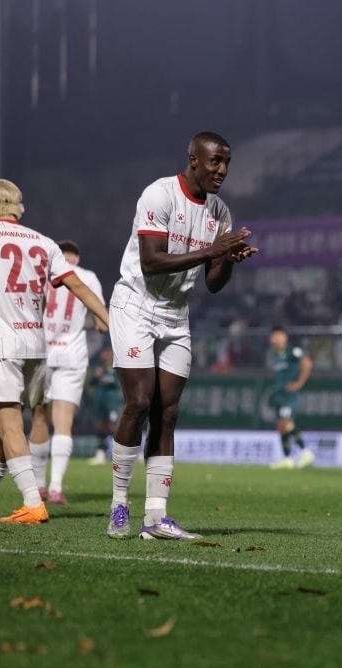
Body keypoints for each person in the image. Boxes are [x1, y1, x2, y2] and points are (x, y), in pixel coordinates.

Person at [106, 131, 258, 541]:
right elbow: (152, 261)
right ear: (194, 159)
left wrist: (227, 259)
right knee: (138, 403)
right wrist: (212, 250)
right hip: (135, 306)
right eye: (215, 162)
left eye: (227, 163)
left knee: (167, 413)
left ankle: (156, 518)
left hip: (176, 315)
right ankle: (119, 504)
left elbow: (214, 283)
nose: (222, 170)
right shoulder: (159, 195)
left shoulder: (220, 211)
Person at [0, 178, 109, 524]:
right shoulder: (43, 242)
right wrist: (109, 321)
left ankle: (33, 502)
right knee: (6, 426)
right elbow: (78, 286)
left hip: (2, 347)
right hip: (38, 349)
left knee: (9, 424)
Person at [27, 240, 107, 504]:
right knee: (64, 423)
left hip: (41, 353)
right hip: (72, 355)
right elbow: (101, 323)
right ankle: (56, 488)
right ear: (78, 257)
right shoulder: (88, 277)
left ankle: (37, 486)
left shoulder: (41, 275)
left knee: (39, 419)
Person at [267, 325, 316, 469]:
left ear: (285, 337)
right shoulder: (273, 354)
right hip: (280, 393)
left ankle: (306, 452)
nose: (276, 339)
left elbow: (307, 363)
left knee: (286, 423)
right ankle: (287, 459)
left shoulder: (293, 351)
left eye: (279, 335)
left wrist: (299, 382)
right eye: (274, 336)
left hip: (289, 394)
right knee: (281, 427)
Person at [87, 345, 121, 466]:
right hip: (99, 402)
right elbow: (91, 383)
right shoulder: (98, 368)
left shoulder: (116, 367)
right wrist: (96, 377)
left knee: (113, 427)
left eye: (108, 353)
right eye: (104, 352)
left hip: (111, 402)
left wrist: (109, 379)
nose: (105, 355)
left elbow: (119, 384)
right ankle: (100, 454)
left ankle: (124, 452)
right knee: (100, 426)